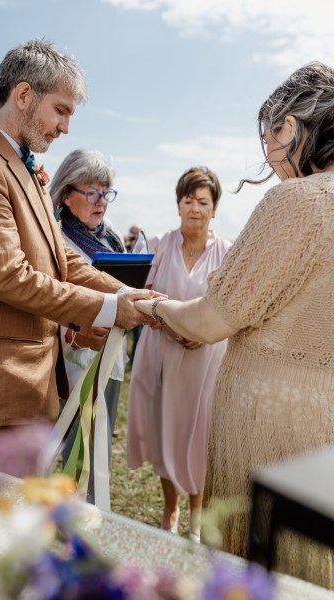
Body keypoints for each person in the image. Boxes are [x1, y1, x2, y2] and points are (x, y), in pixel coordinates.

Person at [134, 62, 334, 587]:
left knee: (257, 572)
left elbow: (209, 318)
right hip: (326, 426)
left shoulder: (299, 201)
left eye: (269, 135)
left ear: (290, 127)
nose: (268, 154)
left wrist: (153, 307)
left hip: (271, 426)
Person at [0, 39, 155, 460]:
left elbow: (61, 260)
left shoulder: (21, 166)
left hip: (29, 389)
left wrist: (127, 296)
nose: (66, 127)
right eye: (61, 110)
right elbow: (10, 276)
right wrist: (108, 308)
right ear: (23, 95)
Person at [127, 166, 231, 542]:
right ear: (178, 204)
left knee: (198, 435)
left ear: (214, 208)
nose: (195, 209)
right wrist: (172, 325)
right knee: (164, 432)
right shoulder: (157, 244)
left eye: (203, 202)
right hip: (161, 353)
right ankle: (170, 508)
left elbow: (230, 308)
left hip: (205, 361)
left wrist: (203, 332)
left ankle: (196, 518)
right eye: (188, 200)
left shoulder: (227, 252)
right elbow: (138, 297)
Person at [50, 148, 127, 470]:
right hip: (68, 361)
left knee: (95, 451)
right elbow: (42, 298)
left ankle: (87, 514)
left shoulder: (112, 236)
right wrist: (76, 336)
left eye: (106, 192)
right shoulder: (54, 238)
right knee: (64, 450)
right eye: (92, 192)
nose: (101, 201)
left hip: (111, 356)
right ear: (67, 194)